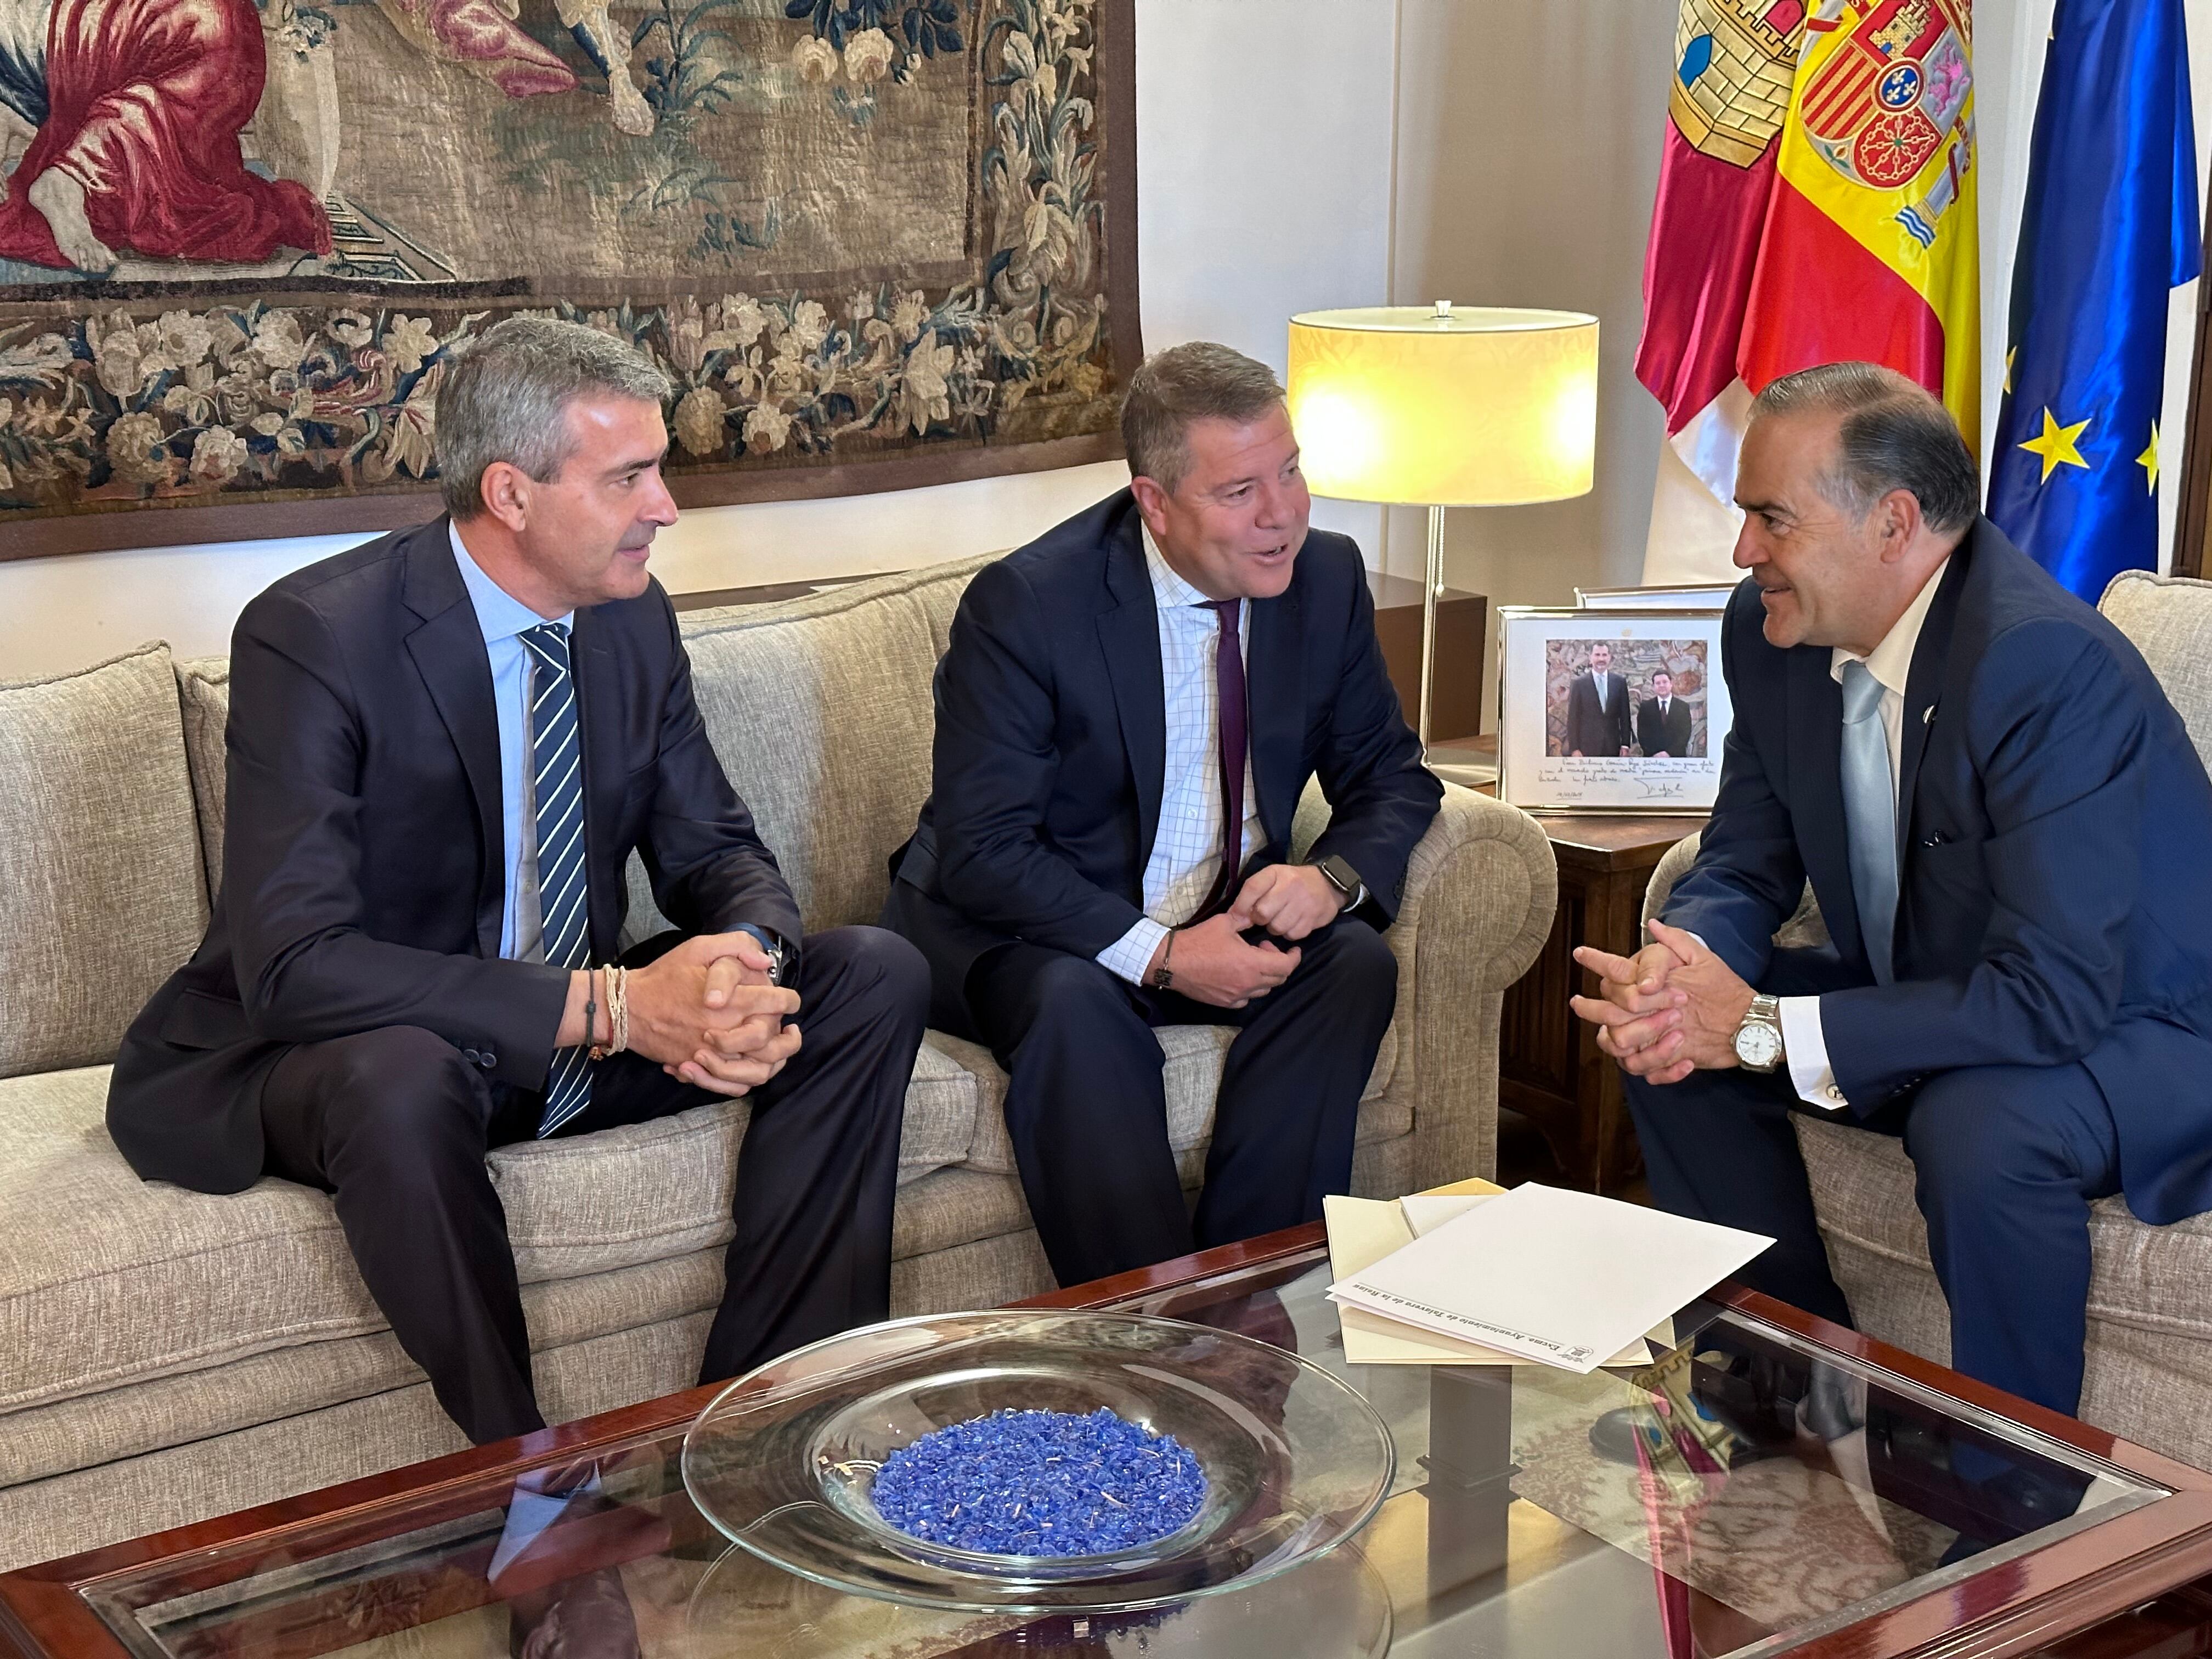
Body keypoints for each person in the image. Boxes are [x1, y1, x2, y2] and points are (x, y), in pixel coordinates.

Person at [105, 319, 929, 1628]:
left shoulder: (630, 619)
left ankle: (760, 1432)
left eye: (660, 473)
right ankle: (531, 1500)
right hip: (362, 1048)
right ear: (512, 492)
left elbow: (716, 847)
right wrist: (613, 1005)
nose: (666, 507)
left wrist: (744, 966)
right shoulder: (317, 636)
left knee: (871, 972)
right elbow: (298, 963)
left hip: (562, 1042)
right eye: (630, 480)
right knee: (398, 1074)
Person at [1570, 361, 2212, 1431]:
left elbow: (2050, 998)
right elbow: (1744, 854)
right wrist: (1691, 966)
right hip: (1948, 985)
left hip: (2135, 1026)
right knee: (1672, 1042)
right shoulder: (1767, 631)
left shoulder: (2043, 665)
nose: (1743, 551)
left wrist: (1768, 1030)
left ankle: (2017, 1505)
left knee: (1984, 1125)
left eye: (1771, 518)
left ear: (1894, 522)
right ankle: (1794, 1399)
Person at [881, 341, 1441, 1286]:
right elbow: (984, 850)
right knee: (1074, 1009)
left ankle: (1247, 1301)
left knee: (1350, 962)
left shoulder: (1326, 578)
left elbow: (1391, 774)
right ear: (1154, 502)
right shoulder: (1030, 604)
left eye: (1291, 472)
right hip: (1037, 929)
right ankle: (1151, 1334)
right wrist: (1168, 955)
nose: (1283, 516)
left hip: (1221, 905)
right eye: (1239, 493)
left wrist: (1328, 877)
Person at [1566, 641, 1632, 757]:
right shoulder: (1579, 684)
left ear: (1610, 657)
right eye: (1597, 655)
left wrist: (1625, 745)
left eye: (1604, 655)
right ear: (1590, 657)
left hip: (1613, 748)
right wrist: (1574, 749)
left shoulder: (1620, 682)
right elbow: (1573, 718)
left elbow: (1625, 716)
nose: (1601, 659)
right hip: (1586, 748)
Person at [1636, 668, 1694, 758]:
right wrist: (1655, 753)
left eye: (1665, 682)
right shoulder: (1645, 708)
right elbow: (1642, 735)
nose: (1661, 685)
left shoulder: (1683, 707)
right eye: (1658, 683)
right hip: (1652, 759)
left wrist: (1669, 753)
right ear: (1654, 686)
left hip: (1676, 759)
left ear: (1671, 684)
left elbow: (1685, 734)